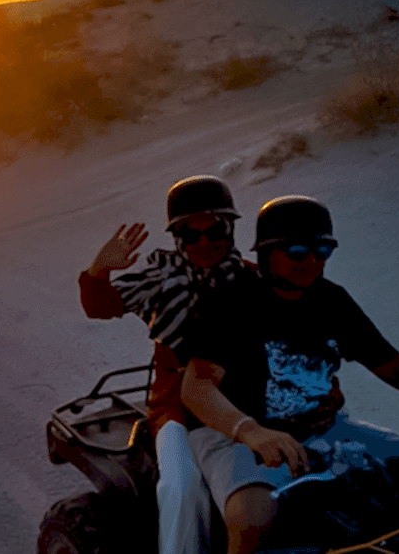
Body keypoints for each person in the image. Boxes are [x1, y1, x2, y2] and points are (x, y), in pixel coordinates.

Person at [179, 195, 399, 554]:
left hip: (325, 428)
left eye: (323, 250)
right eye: (297, 250)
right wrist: (250, 431)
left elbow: (395, 368)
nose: (312, 261)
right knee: (253, 518)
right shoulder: (232, 302)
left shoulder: (332, 300)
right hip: (233, 434)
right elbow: (197, 387)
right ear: (266, 253)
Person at [79, 175, 252, 554]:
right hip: (178, 406)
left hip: (246, 400)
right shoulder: (162, 278)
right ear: (178, 238)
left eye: (215, 229)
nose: (204, 242)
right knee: (182, 485)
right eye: (191, 234)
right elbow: (100, 306)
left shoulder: (252, 278)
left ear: (231, 229)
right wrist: (99, 270)